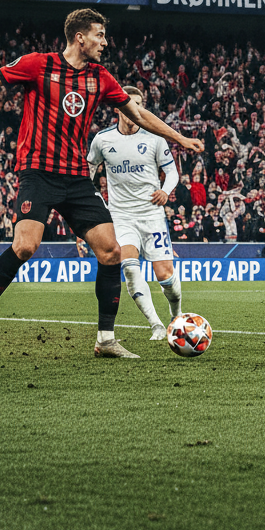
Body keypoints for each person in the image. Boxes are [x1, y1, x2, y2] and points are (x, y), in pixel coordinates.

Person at [0, 8, 204, 358]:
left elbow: (139, 114)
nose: (105, 42)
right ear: (80, 37)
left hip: (75, 177)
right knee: (26, 246)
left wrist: (180, 138)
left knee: (111, 251)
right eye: (100, 35)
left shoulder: (100, 77)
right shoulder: (38, 64)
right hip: (38, 171)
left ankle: (105, 339)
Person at [86, 85, 184, 341]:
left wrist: (165, 190)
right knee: (129, 268)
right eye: (130, 104)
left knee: (165, 276)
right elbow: (89, 171)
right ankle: (156, 324)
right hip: (121, 216)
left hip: (152, 215)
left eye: (139, 105)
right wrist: (90, 201)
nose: (135, 109)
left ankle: (177, 315)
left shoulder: (155, 138)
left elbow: (172, 172)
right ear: (119, 107)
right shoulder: (103, 139)